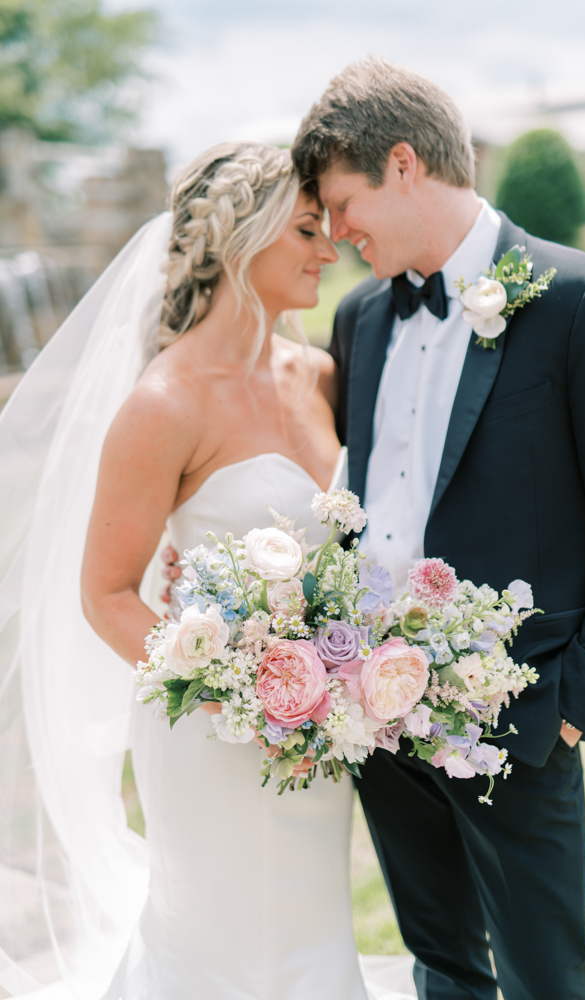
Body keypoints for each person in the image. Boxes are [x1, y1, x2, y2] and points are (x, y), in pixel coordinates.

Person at [290, 57, 585, 1000]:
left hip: (519, 720)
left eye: (342, 205)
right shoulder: (359, 318)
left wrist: (572, 704)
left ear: (405, 164)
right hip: (375, 716)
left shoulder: (583, 300)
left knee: (545, 978)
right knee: (442, 966)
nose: (335, 236)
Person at [0, 142, 380, 1000]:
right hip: (210, 731)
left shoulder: (319, 373)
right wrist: (233, 686)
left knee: (309, 929)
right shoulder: (165, 402)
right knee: (223, 946)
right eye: (309, 228)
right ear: (243, 239)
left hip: (321, 731)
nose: (330, 248)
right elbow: (103, 593)